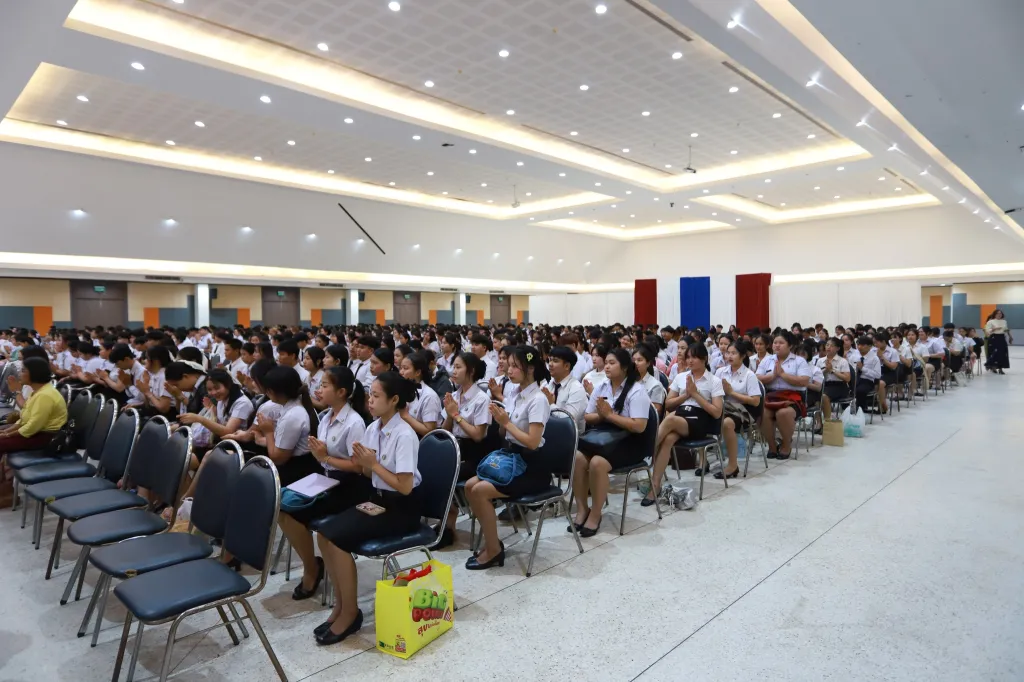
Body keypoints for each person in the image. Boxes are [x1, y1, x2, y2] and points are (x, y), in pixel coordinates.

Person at [314, 372, 422, 645]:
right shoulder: (373, 429)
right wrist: (360, 463)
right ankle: (341, 604)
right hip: (378, 500)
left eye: (376, 396)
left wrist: (372, 465)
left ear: (394, 400)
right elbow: (366, 472)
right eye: (369, 395)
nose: (369, 401)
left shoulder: (404, 434)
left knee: (337, 540)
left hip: (401, 508)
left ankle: (351, 613)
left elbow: (405, 486)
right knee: (323, 534)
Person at [278, 367, 370, 601]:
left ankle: (311, 570)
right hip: (326, 478)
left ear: (341, 392)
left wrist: (325, 457)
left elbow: (359, 467)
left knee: (294, 511)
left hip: (349, 486)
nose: (319, 389)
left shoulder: (354, 422)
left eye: (325, 385)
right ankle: (312, 563)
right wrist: (321, 456)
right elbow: (322, 457)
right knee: (281, 506)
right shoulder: (326, 417)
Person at [463, 346, 551, 570]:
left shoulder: (538, 399)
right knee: (470, 486)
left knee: (480, 490)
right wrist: (500, 422)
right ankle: (492, 541)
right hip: (512, 457)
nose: (508, 370)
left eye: (514, 366)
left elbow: (532, 441)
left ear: (530, 369)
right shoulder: (513, 393)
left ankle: (493, 549)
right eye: (508, 365)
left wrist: (506, 422)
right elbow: (506, 433)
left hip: (532, 467)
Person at [571, 347, 651, 535]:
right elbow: (588, 416)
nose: (606, 366)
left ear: (624, 367)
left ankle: (595, 514)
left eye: (612, 363)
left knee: (597, 463)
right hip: (605, 438)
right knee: (578, 458)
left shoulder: (637, 391)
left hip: (630, 441)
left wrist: (609, 415)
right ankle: (582, 509)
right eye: (606, 362)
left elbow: (639, 426)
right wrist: (602, 416)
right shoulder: (602, 387)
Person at [646, 344, 723, 497]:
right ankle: (655, 485)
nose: (690, 361)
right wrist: (686, 395)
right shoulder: (681, 377)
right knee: (668, 439)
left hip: (700, 421)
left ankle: (644, 451)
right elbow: (668, 403)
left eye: (694, 357)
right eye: (688, 357)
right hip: (682, 416)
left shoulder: (714, 381)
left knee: (670, 420)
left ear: (704, 359)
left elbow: (716, 412)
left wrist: (695, 394)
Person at [255, 365, 321, 487]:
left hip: (296, 472)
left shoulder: (293, 415)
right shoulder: (297, 404)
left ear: (271, 391)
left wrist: (268, 432)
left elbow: (278, 459)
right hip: (301, 466)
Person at [755, 331, 811, 461]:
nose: (777, 345)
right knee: (762, 413)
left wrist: (783, 375)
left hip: (793, 397)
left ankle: (786, 445)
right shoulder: (767, 360)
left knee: (783, 413)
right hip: (771, 396)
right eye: (775, 342)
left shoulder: (799, 361)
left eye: (781, 343)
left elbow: (804, 381)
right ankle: (772, 445)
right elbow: (757, 378)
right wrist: (773, 376)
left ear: (790, 345)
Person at [0, 357, 67, 456]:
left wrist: (7, 435)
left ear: (35, 374)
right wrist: (6, 431)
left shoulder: (45, 395)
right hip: (35, 431)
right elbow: (24, 418)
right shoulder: (38, 391)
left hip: (44, 436)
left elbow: (33, 425)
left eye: (23, 371)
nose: (19, 374)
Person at [714, 340, 761, 479]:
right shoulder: (720, 371)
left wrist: (731, 392)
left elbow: (755, 401)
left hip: (744, 411)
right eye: (728, 353)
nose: (729, 356)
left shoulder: (749, 375)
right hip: (724, 407)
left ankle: (732, 465)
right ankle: (702, 463)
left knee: (727, 424)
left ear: (743, 356)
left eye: (733, 353)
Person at [543, 345, 588, 434]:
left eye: (555, 361)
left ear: (567, 366)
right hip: (547, 432)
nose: (550, 364)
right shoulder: (547, 384)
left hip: (569, 437)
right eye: (550, 360)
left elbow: (569, 420)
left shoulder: (576, 389)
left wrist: (551, 404)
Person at [398, 351, 443, 438]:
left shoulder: (429, 396)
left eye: (405, 368)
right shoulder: (401, 389)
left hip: (421, 440)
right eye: (401, 368)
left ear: (418, 372)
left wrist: (405, 416)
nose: (401, 372)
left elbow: (429, 431)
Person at [817, 338, 851, 418]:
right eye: (827, 345)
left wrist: (832, 370)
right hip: (824, 385)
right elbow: (817, 377)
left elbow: (847, 378)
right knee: (814, 397)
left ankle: (827, 421)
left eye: (832, 346)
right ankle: (818, 422)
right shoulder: (820, 361)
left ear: (837, 348)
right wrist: (826, 370)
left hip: (839, 386)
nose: (828, 347)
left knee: (824, 396)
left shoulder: (842, 361)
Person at [632, 345, 667, 418]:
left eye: (639, 360)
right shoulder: (626, 381)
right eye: (633, 360)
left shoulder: (655, 385)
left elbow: (655, 414)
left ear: (648, 363)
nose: (635, 363)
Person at [854, 336, 881, 413]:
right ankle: (848, 409)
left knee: (860, 390)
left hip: (867, 381)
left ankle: (861, 409)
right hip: (855, 379)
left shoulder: (874, 358)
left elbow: (877, 375)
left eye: (862, 345)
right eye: (858, 345)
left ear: (870, 346)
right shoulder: (854, 356)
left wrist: (863, 369)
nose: (860, 347)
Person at [984, 309, 1010, 374]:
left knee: (1002, 353)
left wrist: (1008, 334)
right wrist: (994, 329)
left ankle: (1001, 368)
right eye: (997, 313)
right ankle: (993, 367)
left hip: (1002, 337)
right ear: (995, 314)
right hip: (994, 338)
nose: (999, 314)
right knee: (994, 352)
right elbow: (987, 331)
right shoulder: (990, 321)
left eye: (1000, 313)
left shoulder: (1004, 321)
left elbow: (1005, 329)